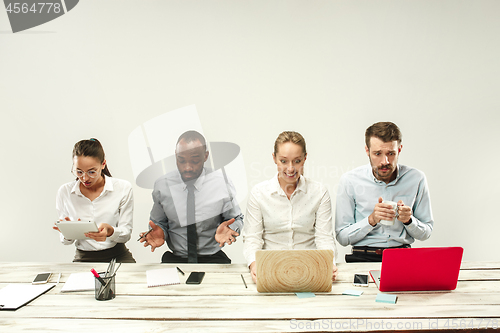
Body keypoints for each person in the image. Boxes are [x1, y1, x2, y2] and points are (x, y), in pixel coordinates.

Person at [243, 131, 338, 283]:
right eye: (284, 161)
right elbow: (253, 238)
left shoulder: (319, 192)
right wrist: (254, 266)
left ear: (305, 158)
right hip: (270, 268)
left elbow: (324, 237)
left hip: (310, 269)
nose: (291, 168)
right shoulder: (259, 193)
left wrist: (329, 263)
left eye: (297, 161)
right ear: (274, 158)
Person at [335, 122, 434, 262]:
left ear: (399, 150)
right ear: (367, 150)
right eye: (377, 154)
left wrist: (409, 220)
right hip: (362, 257)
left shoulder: (417, 178)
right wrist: (372, 220)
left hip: (403, 257)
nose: (384, 161)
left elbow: (426, 232)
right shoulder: (350, 180)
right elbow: (342, 237)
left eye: (391, 153)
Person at [140, 130, 243, 264]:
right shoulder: (163, 185)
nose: (187, 167)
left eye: (194, 160)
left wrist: (231, 228)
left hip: (212, 258)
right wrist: (161, 232)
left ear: (205, 156)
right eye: (181, 160)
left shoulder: (221, 183)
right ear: (176, 156)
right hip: (177, 259)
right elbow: (159, 223)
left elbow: (237, 218)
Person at [54, 138, 135, 263]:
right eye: (79, 172)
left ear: (103, 164)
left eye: (92, 172)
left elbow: (126, 234)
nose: (85, 178)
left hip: (117, 255)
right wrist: (67, 231)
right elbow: (65, 241)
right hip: (84, 257)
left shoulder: (123, 188)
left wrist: (110, 231)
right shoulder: (65, 192)